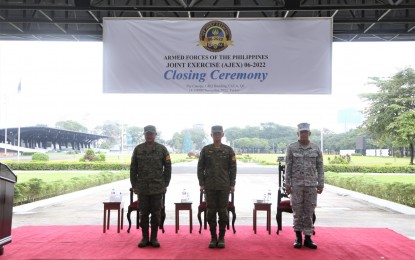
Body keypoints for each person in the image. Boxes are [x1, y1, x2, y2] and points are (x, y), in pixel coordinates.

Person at [130, 125, 171, 248]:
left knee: (156, 213)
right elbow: (133, 168)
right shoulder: (138, 149)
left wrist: (165, 183)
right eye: (147, 134)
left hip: (157, 187)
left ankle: (154, 238)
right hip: (142, 187)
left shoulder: (162, 149)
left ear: (155, 135)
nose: (149, 136)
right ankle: (144, 237)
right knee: (143, 213)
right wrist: (134, 185)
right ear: (144, 135)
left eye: (151, 134)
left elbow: (168, 167)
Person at [285, 122, 324, 249]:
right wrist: (287, 184)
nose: (303, 134)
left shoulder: (316, 148)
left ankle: (308, 237)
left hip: (311, 185)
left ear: (309, 133)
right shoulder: (291, 148)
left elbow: (320, 167)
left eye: (306, 132)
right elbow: (288, 167)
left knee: (309, 211)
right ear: (298, 133)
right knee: (297, 211)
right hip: (296, 185)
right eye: (301, 132)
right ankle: (298, 237)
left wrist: (321, 183)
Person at [197, 125, 237, 249]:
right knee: (211, 212)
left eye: (219, 133)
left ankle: (221, 237)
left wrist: (232, 184)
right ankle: (213, 237)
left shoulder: (228, 150)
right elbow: (200, 167)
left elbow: (233, 168)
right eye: (215, 133)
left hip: (224, 186)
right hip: (210, 186)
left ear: (222, 134)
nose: (217, 135)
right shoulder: (205, 150)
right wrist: (202, 183)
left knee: (223, 212)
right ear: (211, 135)